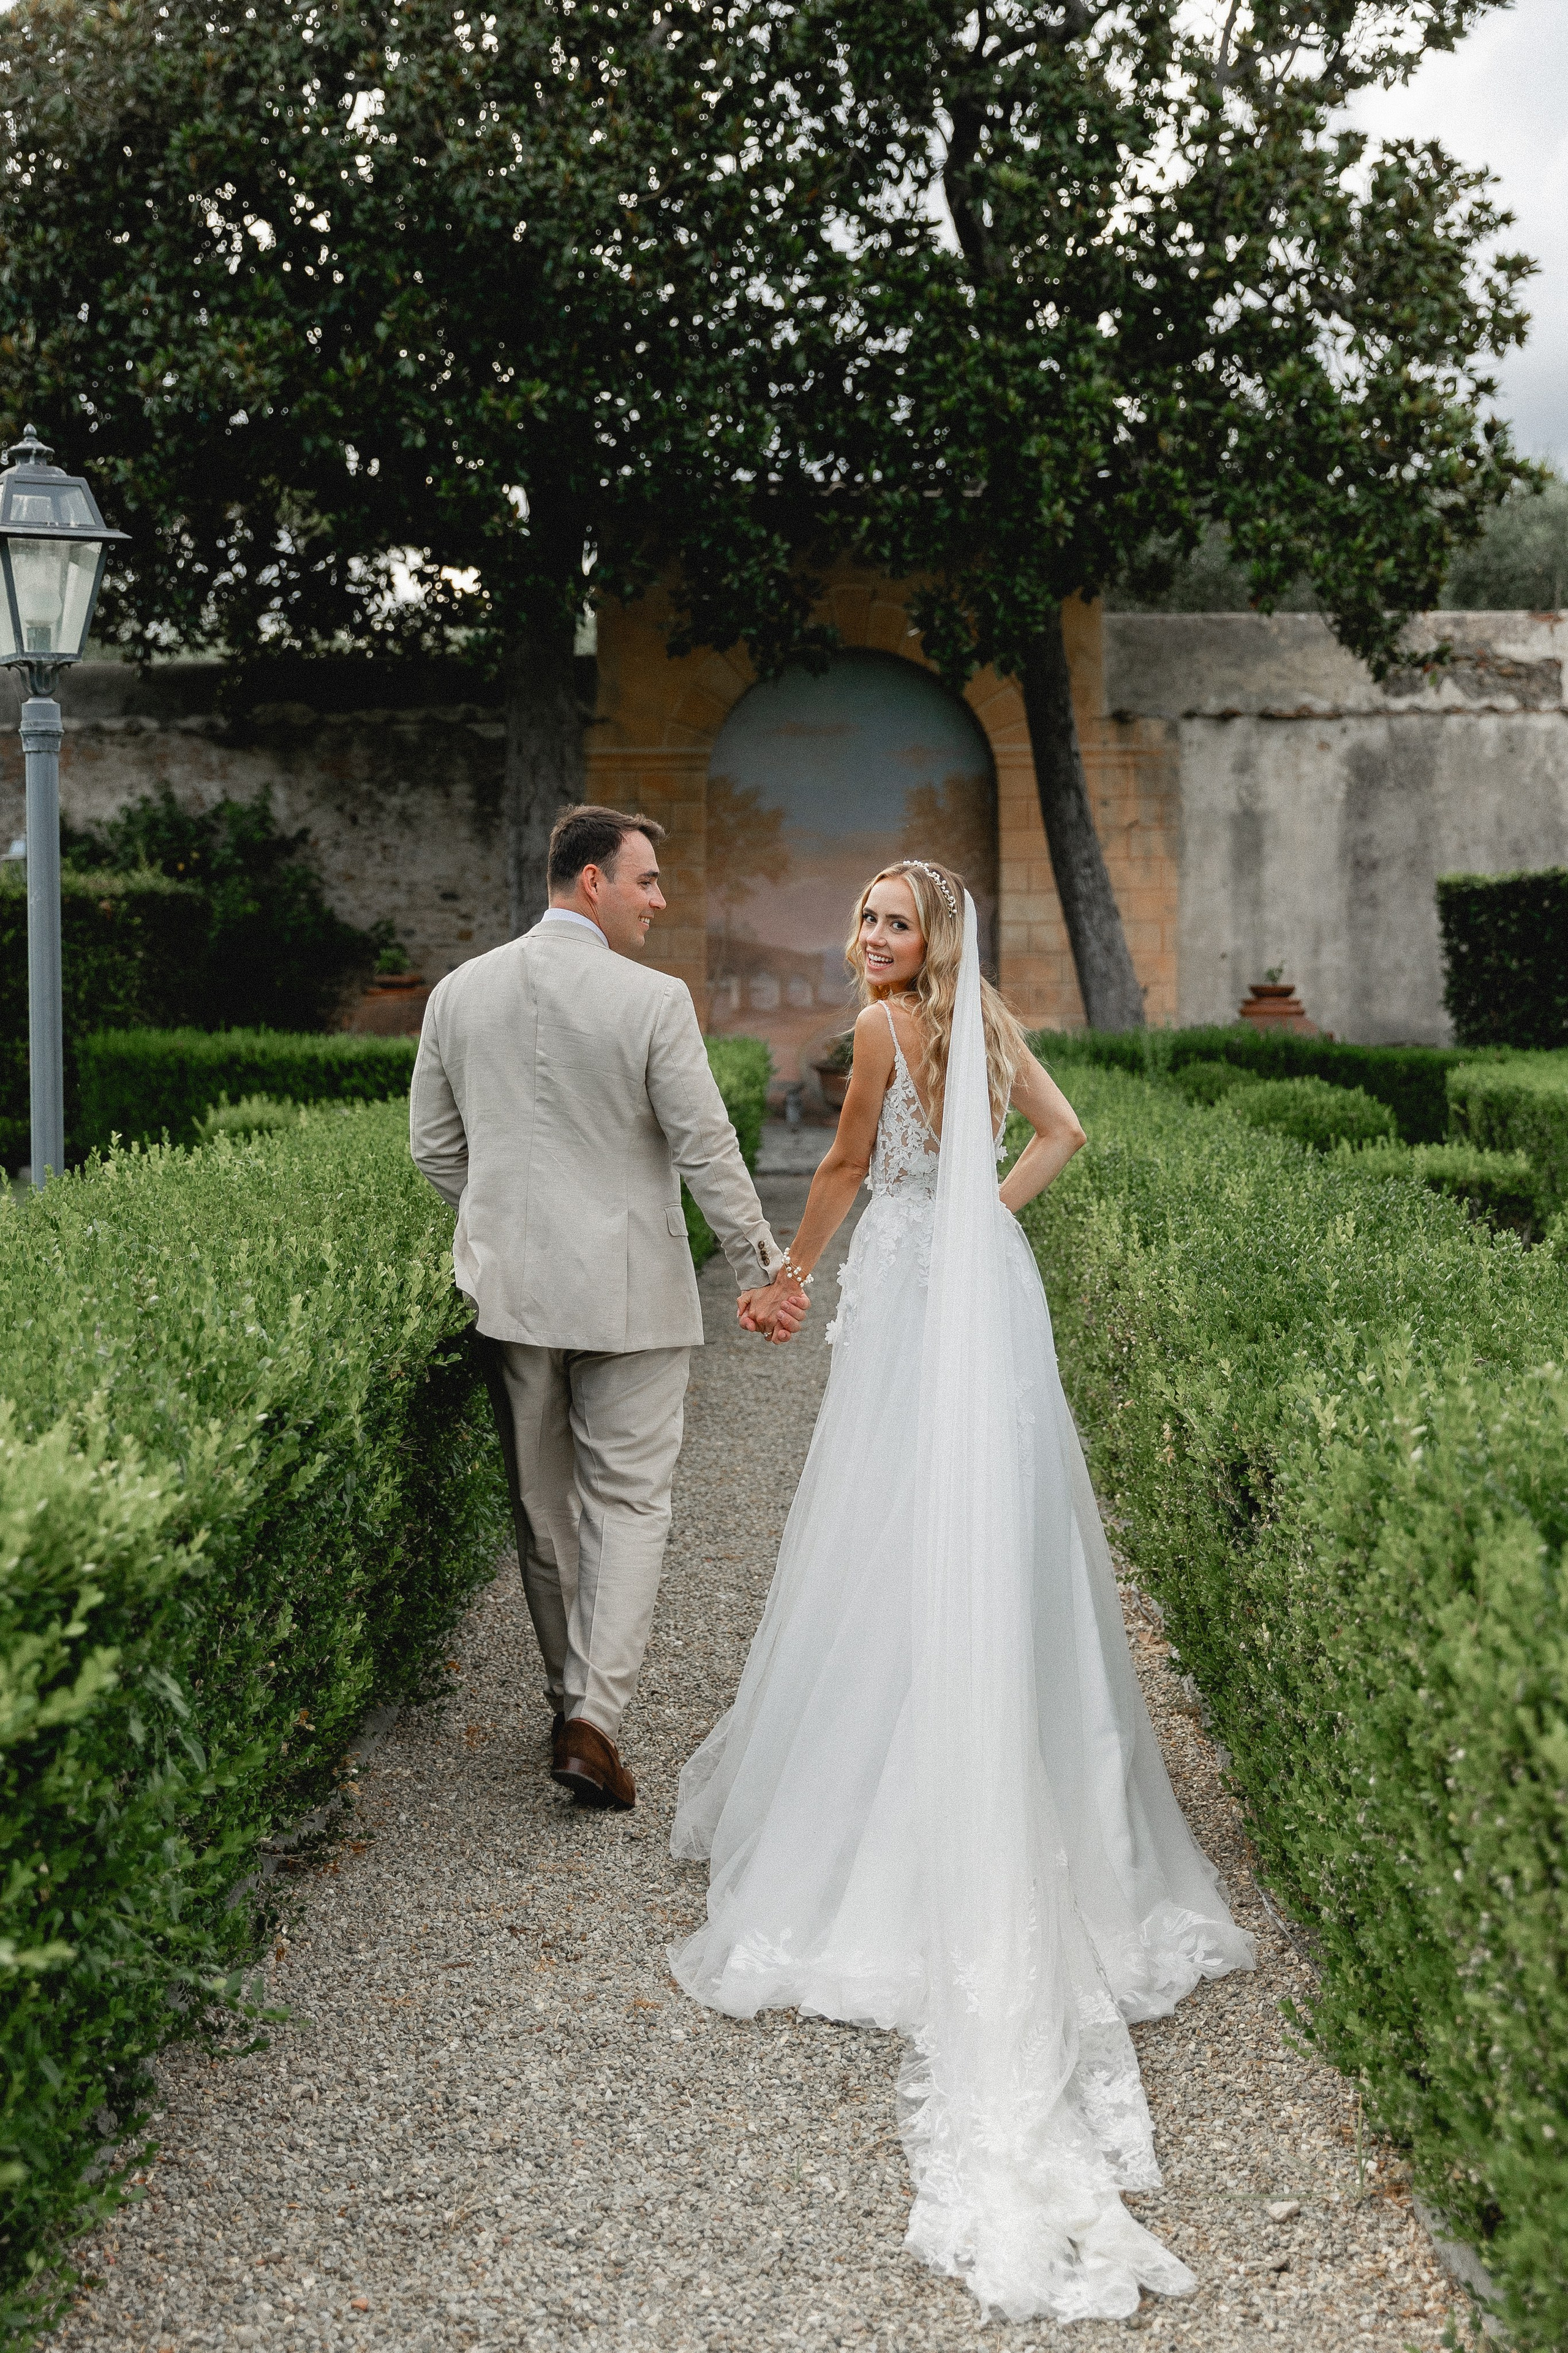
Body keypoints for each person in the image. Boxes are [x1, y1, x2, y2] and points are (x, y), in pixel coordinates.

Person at [671, 859, 1255, 2322]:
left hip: (922, 1290)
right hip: (978, 1285)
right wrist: (986, 1219)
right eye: (862, 917)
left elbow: (848, 1167)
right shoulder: (981, 1015)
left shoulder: (880, 1033)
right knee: (989, 1526)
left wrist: (791, 1277)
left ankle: (893, 1803)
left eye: (890, 921)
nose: (867, 938)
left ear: (929, 938)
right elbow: (1062, 1132)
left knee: (890, 1524)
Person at [409, 804, 806, 1814]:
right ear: (592, 880)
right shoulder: (655, 1000)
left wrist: (505, 1223)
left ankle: (567, 1707)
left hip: (511, 1293)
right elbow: (708, 1146)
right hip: (633, 1294)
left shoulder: (458, 992)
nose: (660, 901)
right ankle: (594, 1720)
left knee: (544, 1512)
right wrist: (770, 1265)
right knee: (629, 1502)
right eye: (647, 881)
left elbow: (434, 1149)